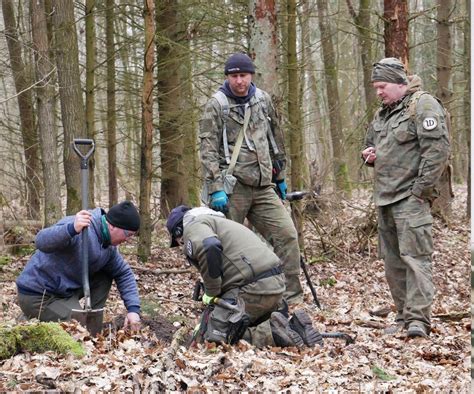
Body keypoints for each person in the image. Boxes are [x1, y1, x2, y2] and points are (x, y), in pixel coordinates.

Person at [199, 52, 303, 303]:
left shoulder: (263, 100)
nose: (239, 81)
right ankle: (223, 300)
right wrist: (215, 188)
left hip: (263, 184)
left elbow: (275, 140)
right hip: (231, 187)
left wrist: (280, 176)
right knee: (224, 246)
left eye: (243, 75)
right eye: (234, 76)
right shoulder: (216, 105)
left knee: (287, 235)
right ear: (227, 77)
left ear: (251, 75)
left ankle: (290, 298)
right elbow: (207, 149)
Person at [361, 58, 450, 338]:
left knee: (416, 260)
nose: (379, 92)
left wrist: (420, 192)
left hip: (410, 198)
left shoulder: (422, 105)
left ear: (400, 84)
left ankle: (418, 321)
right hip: (384, 198)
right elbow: (369, 145)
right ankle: (402, 315)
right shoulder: (383, 114)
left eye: (383, 86)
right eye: (376, 87)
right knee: (393, 262)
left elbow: (437, 151)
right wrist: (369, 155)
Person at [166, 205, 322, 348]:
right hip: (274, 284)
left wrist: (211, 292)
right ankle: (294, 328)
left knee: (211, 336)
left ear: (179, 231)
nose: (181, 245)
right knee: (240, 323)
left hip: (253, 288)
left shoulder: (193, 226)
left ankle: (274, 333)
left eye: (179, 242)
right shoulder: (220, 223)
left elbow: (209, 246)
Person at [16, 200, 142, 330]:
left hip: (65, 292)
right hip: (38, 296)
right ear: (112, 226)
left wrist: (133, 310)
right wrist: (71, 229)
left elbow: (123, 273)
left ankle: (94, 328)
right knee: (78, 328)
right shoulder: (81, 227)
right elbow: (41, 241)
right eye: (128, 234)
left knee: (105, 275)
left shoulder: (108, 246)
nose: (127, 240)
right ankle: (30, 319)